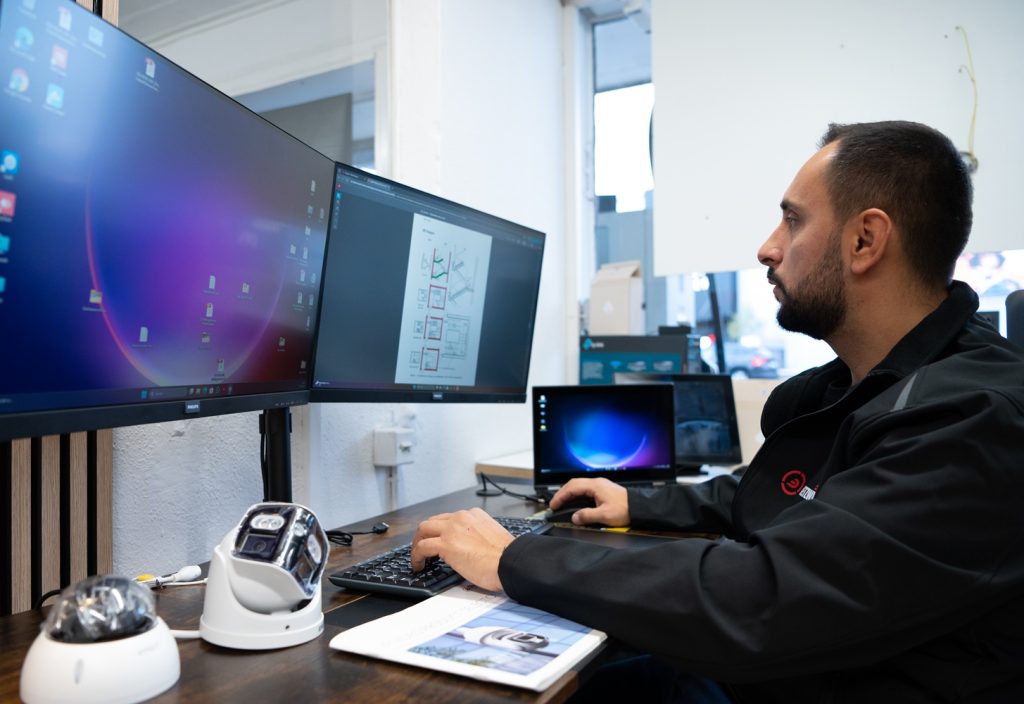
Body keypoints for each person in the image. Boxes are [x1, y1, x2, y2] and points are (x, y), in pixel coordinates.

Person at [411, 121, 1024, 702]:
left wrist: (513, 558)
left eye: (792, 220)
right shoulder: (871, 385)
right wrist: (639, 504)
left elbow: (762, 599)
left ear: (865, 240)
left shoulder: (972, 420)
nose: (767, 248)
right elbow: (787, 495)